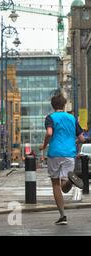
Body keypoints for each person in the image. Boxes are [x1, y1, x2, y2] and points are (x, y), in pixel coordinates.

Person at [39, 93, 85, 225]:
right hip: (69, 154)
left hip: (54, 153)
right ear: (64, 105)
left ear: (53, 106)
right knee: (65, 186)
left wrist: (44, 145)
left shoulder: (50, 117)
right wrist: (72, 142)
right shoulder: (72, 118)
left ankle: (63, 215)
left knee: (55, 184)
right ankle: (70, 180)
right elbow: (81, 138)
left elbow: (49, 133)